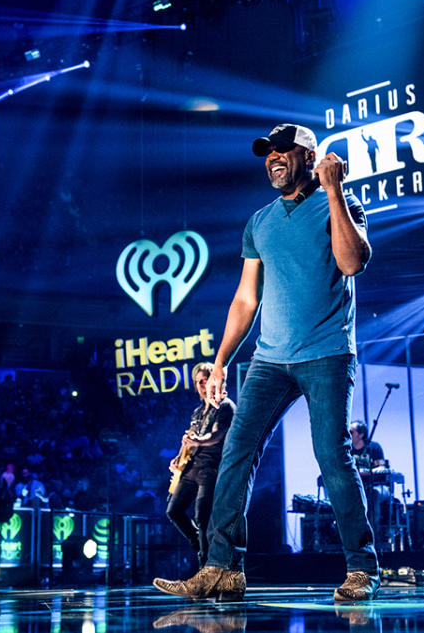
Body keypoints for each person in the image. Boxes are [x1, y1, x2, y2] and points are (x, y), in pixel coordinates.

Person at [154, 123, 379, 602]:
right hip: (269, 360)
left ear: (309, 155)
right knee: (235, 453)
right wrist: (219, 364)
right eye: (267, 152)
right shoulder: (260, 222)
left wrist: (335, 190)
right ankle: (222, 569)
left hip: (327, 353)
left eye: (283, 150)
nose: (273, 157)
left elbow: (352, 262)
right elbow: (244, 299)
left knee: (332, 456)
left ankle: (362, 569)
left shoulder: (340, 204)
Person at [165, 362, 236, 569]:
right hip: (191, 468)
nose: (201, 386)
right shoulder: (197, 412)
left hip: (211, 468)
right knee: (174, 511)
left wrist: (198, 441)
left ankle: (206, 566)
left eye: (204, 381)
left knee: (203, 517)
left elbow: (216, 435)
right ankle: (199, 544)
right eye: (198, 382)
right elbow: (189, 439)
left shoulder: (225, 406)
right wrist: (178, 458)